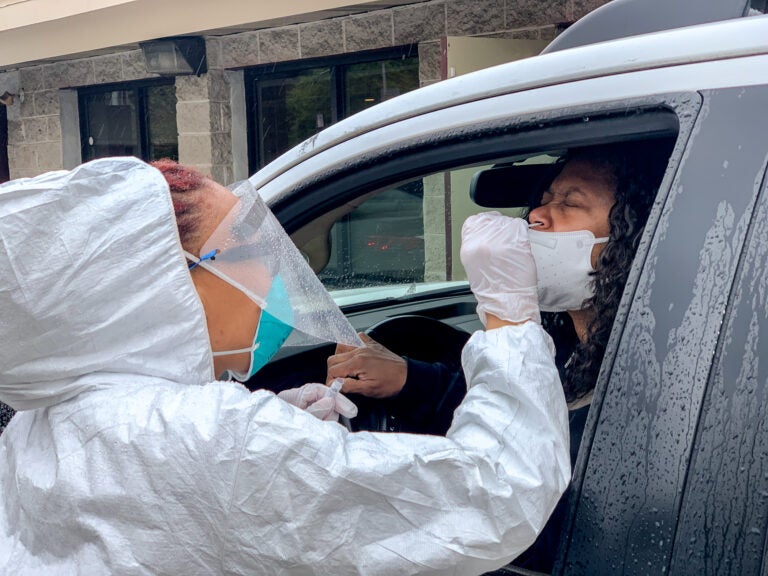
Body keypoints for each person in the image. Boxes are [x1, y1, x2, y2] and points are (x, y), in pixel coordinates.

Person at [0, 157, 569, 575]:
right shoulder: (213, 440)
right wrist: (510, 323)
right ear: (160, 284)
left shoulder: (41, 424)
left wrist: (275, 423)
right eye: (251, 253)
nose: (274, 278)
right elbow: (494, 496)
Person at [326, 140, 671, 571]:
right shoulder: (566, 348)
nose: (536, 217)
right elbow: (520, 411)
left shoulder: (663, 369)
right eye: (544, 200)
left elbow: (530, 502)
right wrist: (408, 379)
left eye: (570, 203)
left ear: (629, 233)